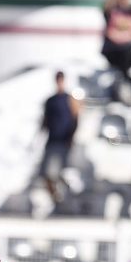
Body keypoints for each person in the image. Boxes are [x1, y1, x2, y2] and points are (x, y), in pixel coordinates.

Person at [40, 71, 80, 203]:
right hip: (52, 140)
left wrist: (71, 137)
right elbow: (45, 121)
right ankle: (56, 198)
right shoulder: (50, 100)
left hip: (65, 141)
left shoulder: (70, 99)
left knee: (64, 172)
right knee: (46, 174)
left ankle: (68, 198)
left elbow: (76, 119)